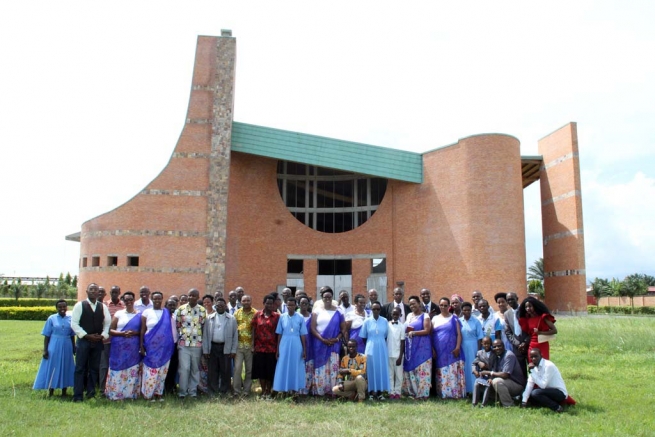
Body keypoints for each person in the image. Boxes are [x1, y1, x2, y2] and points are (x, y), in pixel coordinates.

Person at [71, 283, 111, 402]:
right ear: (86, 291)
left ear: (99, 292)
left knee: (94, 369)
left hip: (97, 342)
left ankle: (91, 393)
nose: (94, 291)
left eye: (96, 290)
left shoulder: (102, 307)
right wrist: (87, 335)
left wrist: (103, 336)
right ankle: (77, 395)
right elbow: (74, 323)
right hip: (83, 341)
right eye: (91, 289)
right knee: (80, 368)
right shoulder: (80, 305)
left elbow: (108, 323)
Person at [33, 300, 76, 397]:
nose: (62, 309)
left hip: (67, 344)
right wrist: (45, 350)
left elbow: (72, 335)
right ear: (56, 308)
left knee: (66, 366)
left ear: (66, 307)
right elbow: (47, 335)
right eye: (60, 307)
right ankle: (51, 390)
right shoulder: (51, 318)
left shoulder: (71, 319)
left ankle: (64, 391)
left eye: (64, 307)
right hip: (54, 344)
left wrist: (74, 347)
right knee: (53, 366)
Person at [105, 291, 142, 401]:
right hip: (119, 347)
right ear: (123, 301)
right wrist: (123, 333)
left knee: (132, 368)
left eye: (131, 299)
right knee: (118, 368)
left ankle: (130, 394)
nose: (129, 302)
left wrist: (134, 333)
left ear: (134, 300)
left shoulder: (140, 314)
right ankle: (116, 394)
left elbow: (143, 331)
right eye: (126, 300)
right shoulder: (118, 314)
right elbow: (110, 330)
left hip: (133, 347)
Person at [310, 286, 347, 396]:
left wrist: (337, 338)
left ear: (332, 298)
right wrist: (322, 339)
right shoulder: (316, 311)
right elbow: (312, 328)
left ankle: (333, 391)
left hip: (334, 345)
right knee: (320, 368)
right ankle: (320, 391)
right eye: (325, 297)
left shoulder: (338, 311)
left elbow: (343, 328)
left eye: (329, 297)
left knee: (333, 368)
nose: (327, 299)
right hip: (319, 343)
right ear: (322, 298)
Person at [140, 291, 175, 402]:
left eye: (159, 298)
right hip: (151, 346)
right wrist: (141, 345)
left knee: (162, 371)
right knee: (151, 371)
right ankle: (147, 394)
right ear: (152, 299)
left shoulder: (166, 312)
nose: (157, 300)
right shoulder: (146, 312)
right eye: (155, 298)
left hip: (164, 347)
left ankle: (158, 394)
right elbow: (142, 330)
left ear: (162, 299)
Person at [431, 297, 466, 399]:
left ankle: (455, 394)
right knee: (441, 371)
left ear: (449, 306)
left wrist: (458, 347)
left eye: (445, 305)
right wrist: (433, 349)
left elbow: (459, 334)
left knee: (452, 371)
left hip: (452, 350)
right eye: (441, 305)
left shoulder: (454, 318)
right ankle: (443, 394)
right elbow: (431, 335)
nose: (443, 307)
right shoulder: (435, 319)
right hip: (439, 351)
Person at [202, 297, 237, 397]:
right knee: (213, 370)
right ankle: (212, 391)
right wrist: (206, 350)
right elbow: (205, 335)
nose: (220, 307)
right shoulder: (209, 318)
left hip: (225, 347)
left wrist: (233, 350)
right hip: (213, 347)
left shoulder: (231, 318)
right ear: (215, 306)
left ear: (225, 306)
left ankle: (224, 391)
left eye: (222, 305)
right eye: (218, 305)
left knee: (225, 370)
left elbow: (235, 336)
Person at [273, 297, 308, 396]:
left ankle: (294, 391)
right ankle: (283, 390)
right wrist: (277, 349)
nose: (290, 307)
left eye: (292, 305)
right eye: (288, 305)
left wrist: (304, 349)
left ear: (296, 305)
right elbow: (279, 333)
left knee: (295, 366)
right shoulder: (282, 317)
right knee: (283, 366)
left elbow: (302, 334)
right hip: (284, 343)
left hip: (296, 344)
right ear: (286, 305)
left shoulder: (300, 317)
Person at [175, 288, 206, 399]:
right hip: (184, 345)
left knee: (194, 369)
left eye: (194, 295)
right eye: (190, 295)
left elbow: (203, 326)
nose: (191, 297)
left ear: (198, 297)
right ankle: (182, 392)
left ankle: (192, 392)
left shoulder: (202, 310)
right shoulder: (181, 309)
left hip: (197, 345)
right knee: (184, 369)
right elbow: (178, 325)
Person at [402, 295, 432, 400]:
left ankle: (423, 394)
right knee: (412, 370)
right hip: (411, 348)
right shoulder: (409, 315)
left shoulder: (425, 316)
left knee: (423, 370)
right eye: (410, 304)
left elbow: (427, 330)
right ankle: (413, 392)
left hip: (423, 347)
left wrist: (414, 333)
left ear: (419, 303)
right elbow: (407, 329)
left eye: (414, 303)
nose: (412, 306)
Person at [521, 348, 570, 412]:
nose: (534, 359)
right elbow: (529, 385)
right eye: (532, 357)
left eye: (536, 356)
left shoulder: (548, 365)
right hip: (547, 392)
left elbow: (543, 385)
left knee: (535, 393)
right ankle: (543, 404)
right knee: (526, 394)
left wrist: (532, 371)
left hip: (559, 393)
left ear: (541, 355)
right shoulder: (534, 367)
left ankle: (557, 407)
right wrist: (524, 402)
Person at [479, 339, 525, 407]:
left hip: (516, 384)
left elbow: (505, 375)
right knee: (483, 382)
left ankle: (509, 405)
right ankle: (498, 400)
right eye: (494, 347)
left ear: (503, 346)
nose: (497, 348)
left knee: (497, 382)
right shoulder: (497, 356)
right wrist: (490, 378)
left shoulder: (509, 355)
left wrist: (490, 373)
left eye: (499, 346)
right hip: (506, 382)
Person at [252, 294, 280, 399]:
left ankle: (269, 390)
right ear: (264, 303)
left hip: (272, 348)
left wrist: (278, 348)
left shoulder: (277, 316)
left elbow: (279, 333)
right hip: (259, 348)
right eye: (267, 303)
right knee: (261, 371)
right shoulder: (257, 315)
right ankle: (263, 391)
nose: (269, 305)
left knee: (270, 371)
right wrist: (252, 345)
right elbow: (253, 330)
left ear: (274, 304)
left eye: (271, 303)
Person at [360, 301, 390, 400]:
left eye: (378, 309)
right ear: (371, 310)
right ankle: (372, 393)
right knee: (371, 369)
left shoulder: (385, 321)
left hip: (381, 347)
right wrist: (371, 343)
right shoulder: (367, 321)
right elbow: (363, 336)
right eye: (374, 309)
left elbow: (385, 335)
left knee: (381, 369)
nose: (376, 311)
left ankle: (380, 392)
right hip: (370, 347)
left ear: (380, 310)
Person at [100, 285, 124, 394]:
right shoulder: (104, 305)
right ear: (109, 293)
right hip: (106, 340)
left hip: (119, 341)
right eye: (112, 292)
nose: (114, 294)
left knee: (117, 364)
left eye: (116, 292)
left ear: (119, 292)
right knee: (104, 365)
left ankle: (115, 387)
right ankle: (102, 389)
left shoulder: (123, 306)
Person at [233, 294, 256, 397]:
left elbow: (257, 331)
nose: (246, 302)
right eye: (244, 301)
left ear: (251, 301)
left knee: (249, 370)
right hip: (239, 346)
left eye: (248, 300)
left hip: (250, 347)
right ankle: (236, 391)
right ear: (241, 302)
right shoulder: (237, 313)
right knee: (237, 369)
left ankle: (246, 391)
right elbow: (234, 330)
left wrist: (253, 345)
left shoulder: (256, 313)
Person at [459, 301, 483, 396]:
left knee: (473, 367)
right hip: (462, 346)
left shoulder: (476, 321)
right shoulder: (459, 321)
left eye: (469, 310)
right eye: (465, 310)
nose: (467, 312)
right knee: (464, 367)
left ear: (471, 311)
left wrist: (479, 351)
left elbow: (480, 337)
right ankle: (465, 390)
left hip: (473, 346)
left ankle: (474, 390)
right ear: (462, 311)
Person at [504, 292, 528, 380]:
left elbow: (531, 328)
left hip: (528, 344)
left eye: (512, 299)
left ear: (517, 298)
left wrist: (525, 342)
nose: (510, 301)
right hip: (517, 347)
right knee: (521, 371)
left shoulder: (525, 310)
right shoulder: (507, 314)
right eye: (508, 300)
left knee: (533, 369)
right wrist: (517, 344)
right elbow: (508, 332)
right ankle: (524, 391)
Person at [471, 336, 496, 406]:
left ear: (491, 343)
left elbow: (495, 367)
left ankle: (483, 404)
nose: (486, 345)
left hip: (490, 375)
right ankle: (474, 403)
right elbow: (474, 363)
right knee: (476, 384)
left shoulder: (494, 354)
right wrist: (474, 370)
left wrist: (491, 377)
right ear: (482, 344)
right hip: (481, 375)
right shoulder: (479, 353)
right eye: (485, 343)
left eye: (488, 343)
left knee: (487, 385)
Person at [386, 307, 405, 400]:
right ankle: (391, 392)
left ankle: (398, 392)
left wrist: (400, 356)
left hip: (398, 354)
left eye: (397, 314)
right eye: (393, 314)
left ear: (400, 315)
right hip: (389, 353)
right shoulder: (387, 325)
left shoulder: (402, 326)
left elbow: (402, 342)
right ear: (391, 314)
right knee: (390, 374)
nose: (395, 316)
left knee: (398, 375)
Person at [297, 296, 314, 396]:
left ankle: (306, 390)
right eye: (302, 303)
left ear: (308, 305)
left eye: (306, 303)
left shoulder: (312, 317)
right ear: (298, 304)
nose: (304, 305)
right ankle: (297, 389)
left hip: (310, 345)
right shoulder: (295, 316)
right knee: (299, 367)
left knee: (308, 368)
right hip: (297, 345)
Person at [164, 298, 180, 395]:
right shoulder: (162, 317)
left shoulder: (175, 317)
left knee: (173, 368)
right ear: (166, 306)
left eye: (174, 305)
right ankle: (164, 389)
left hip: (174, 345)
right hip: (165, 347)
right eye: (170, 305)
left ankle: (171, 388)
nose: (172, 307)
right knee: (165, 368)